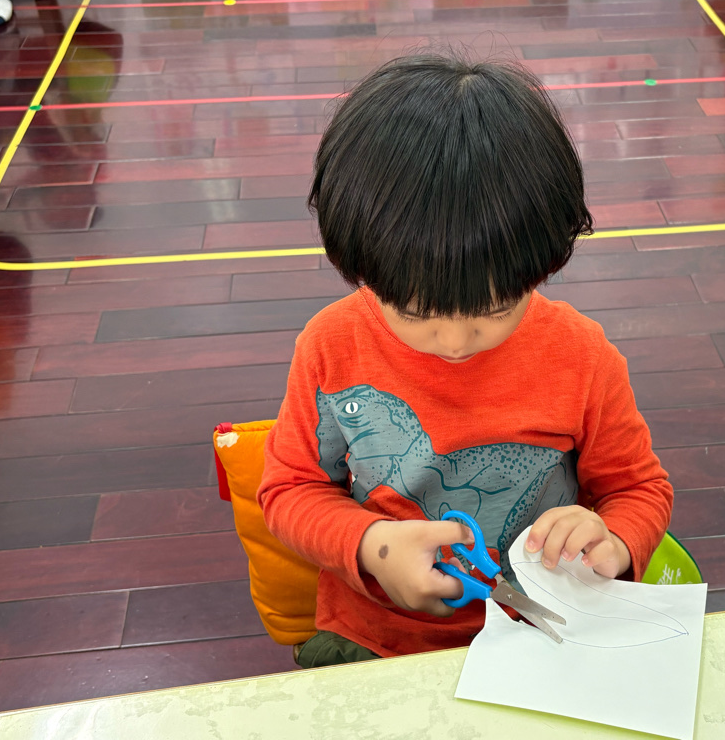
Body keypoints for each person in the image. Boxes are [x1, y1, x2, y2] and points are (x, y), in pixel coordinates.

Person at [258, 52, 674, 669]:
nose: (455, 342)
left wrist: (614, 541)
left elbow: (638, 488)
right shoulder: (331, 346)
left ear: (545, 261)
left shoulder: (583, 357)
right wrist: (372, 546)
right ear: (359, 265)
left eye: (496, 309)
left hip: (542, 633)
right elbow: (290, 488)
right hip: (376, 633)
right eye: (415, 313)